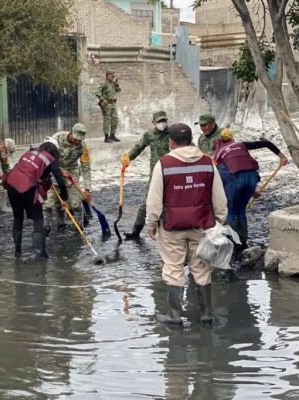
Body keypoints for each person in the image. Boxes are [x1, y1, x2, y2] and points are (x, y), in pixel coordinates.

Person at [146, 123, 227, 325]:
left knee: (173, 268)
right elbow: (219, 197)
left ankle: (174, 316)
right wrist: (220, 221)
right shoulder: (207, 163)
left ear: (170, 142)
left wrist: (151, 223)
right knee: (201, 267)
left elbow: (154, 199)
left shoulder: (163, 164)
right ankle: (206, 315)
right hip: (201, 226)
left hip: (172, 227)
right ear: (191, 139)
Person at [213, 129, 288, 251]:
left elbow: (223, 178)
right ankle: (244, 242)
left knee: (231, 212)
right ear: (231, 139)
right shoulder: (240, 144)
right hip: (252, 177)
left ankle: (237, 245)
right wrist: (281, 156)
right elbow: (266, 143)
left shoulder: (218, 154)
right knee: (241, 210)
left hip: (235, 179)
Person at [3, 137, 69, 259]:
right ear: (54, 151)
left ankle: (17, 253)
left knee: (18, 218)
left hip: (12, 184)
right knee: (38, 219)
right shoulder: (50, 159)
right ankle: (40, 255)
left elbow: (27, 169)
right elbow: (60, 182)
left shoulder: (29, 152)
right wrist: (64, 199)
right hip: (28, 188)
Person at [120, 111, 170, 239]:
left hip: (172, 174)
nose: (161, 124)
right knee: (147, 203)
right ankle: (136, 231)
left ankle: (172, 231)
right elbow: (138, 147)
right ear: (153, 122)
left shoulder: (172, 134)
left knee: (172, 202)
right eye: (159, 121)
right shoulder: (149, 135)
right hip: (155, 175)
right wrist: (128, 157)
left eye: (163, 121)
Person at [43, 123, 92, 233]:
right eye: (76, 139)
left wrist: (87, 189)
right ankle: (49, 227)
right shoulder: (57, 139)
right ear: (71, 133)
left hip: (72, 173)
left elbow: (86, 167)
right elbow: (47, 157)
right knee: (49, 203)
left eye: (80, 140)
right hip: (55, 170)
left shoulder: (83, 147)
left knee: (75, 203)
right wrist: (59, 170)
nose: (77, 142)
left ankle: (79, 228)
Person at [95, 70, 121, 143]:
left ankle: (112, 135)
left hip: (113, 104)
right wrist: (102, 99)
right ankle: (106, 137)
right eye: (111, 75)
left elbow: (118, 91)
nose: (113, 77)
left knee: (115, 119)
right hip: (107, 104)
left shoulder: (113, 84)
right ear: (107, 76)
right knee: (107, 120)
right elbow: (97, 92)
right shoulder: (103, 83)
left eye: (113, 76)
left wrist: (116, 84)